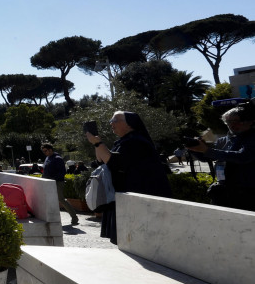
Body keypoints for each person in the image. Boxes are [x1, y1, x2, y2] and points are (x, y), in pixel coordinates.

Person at [86, 111, 172, 244]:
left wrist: (98, 144)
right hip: (126, 196)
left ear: (129, 124)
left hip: (141, 196)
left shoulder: (136, 141)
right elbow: (102, 161)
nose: (111, 123)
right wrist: (97, 143)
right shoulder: (123, 141)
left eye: (115, 120)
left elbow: (116, 163)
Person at [188, 102, 255, 211]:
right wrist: (195, 149)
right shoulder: (223, 140)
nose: (233, 125)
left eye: (236, 121)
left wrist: (207, 150)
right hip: (224, 190)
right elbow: (208, 157)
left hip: (248, 192)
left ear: (250, 121)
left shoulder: (252, 137)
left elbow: (243, 156)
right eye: (229, 122)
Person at [41, 143, 79, 226]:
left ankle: (74, 217)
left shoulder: (57, 159)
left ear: (50, 149)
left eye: (45, 151)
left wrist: (53, 179)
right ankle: (51, 218)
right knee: (49, 200)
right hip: (48, 182)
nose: (44, 152)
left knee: (61, 199)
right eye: (43, 151)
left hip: (57, 182)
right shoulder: (48, 158)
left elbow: (62, 172)